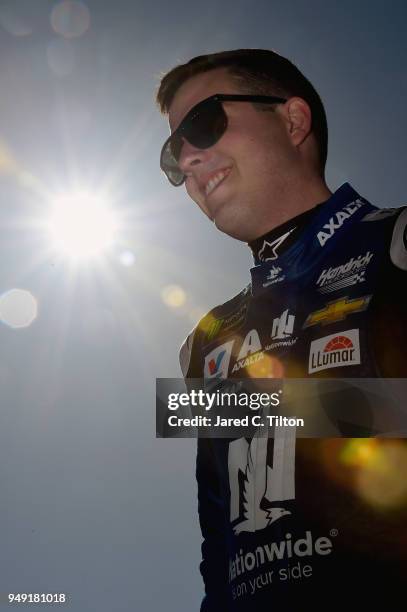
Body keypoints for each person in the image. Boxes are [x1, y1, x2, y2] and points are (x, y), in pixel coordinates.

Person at [156, 49, 407, 610]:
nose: (190, 159)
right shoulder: (204, 342)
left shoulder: (397, 246)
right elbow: (218, 538)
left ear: (293, 120)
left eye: (204, 124)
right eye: (174, 153)